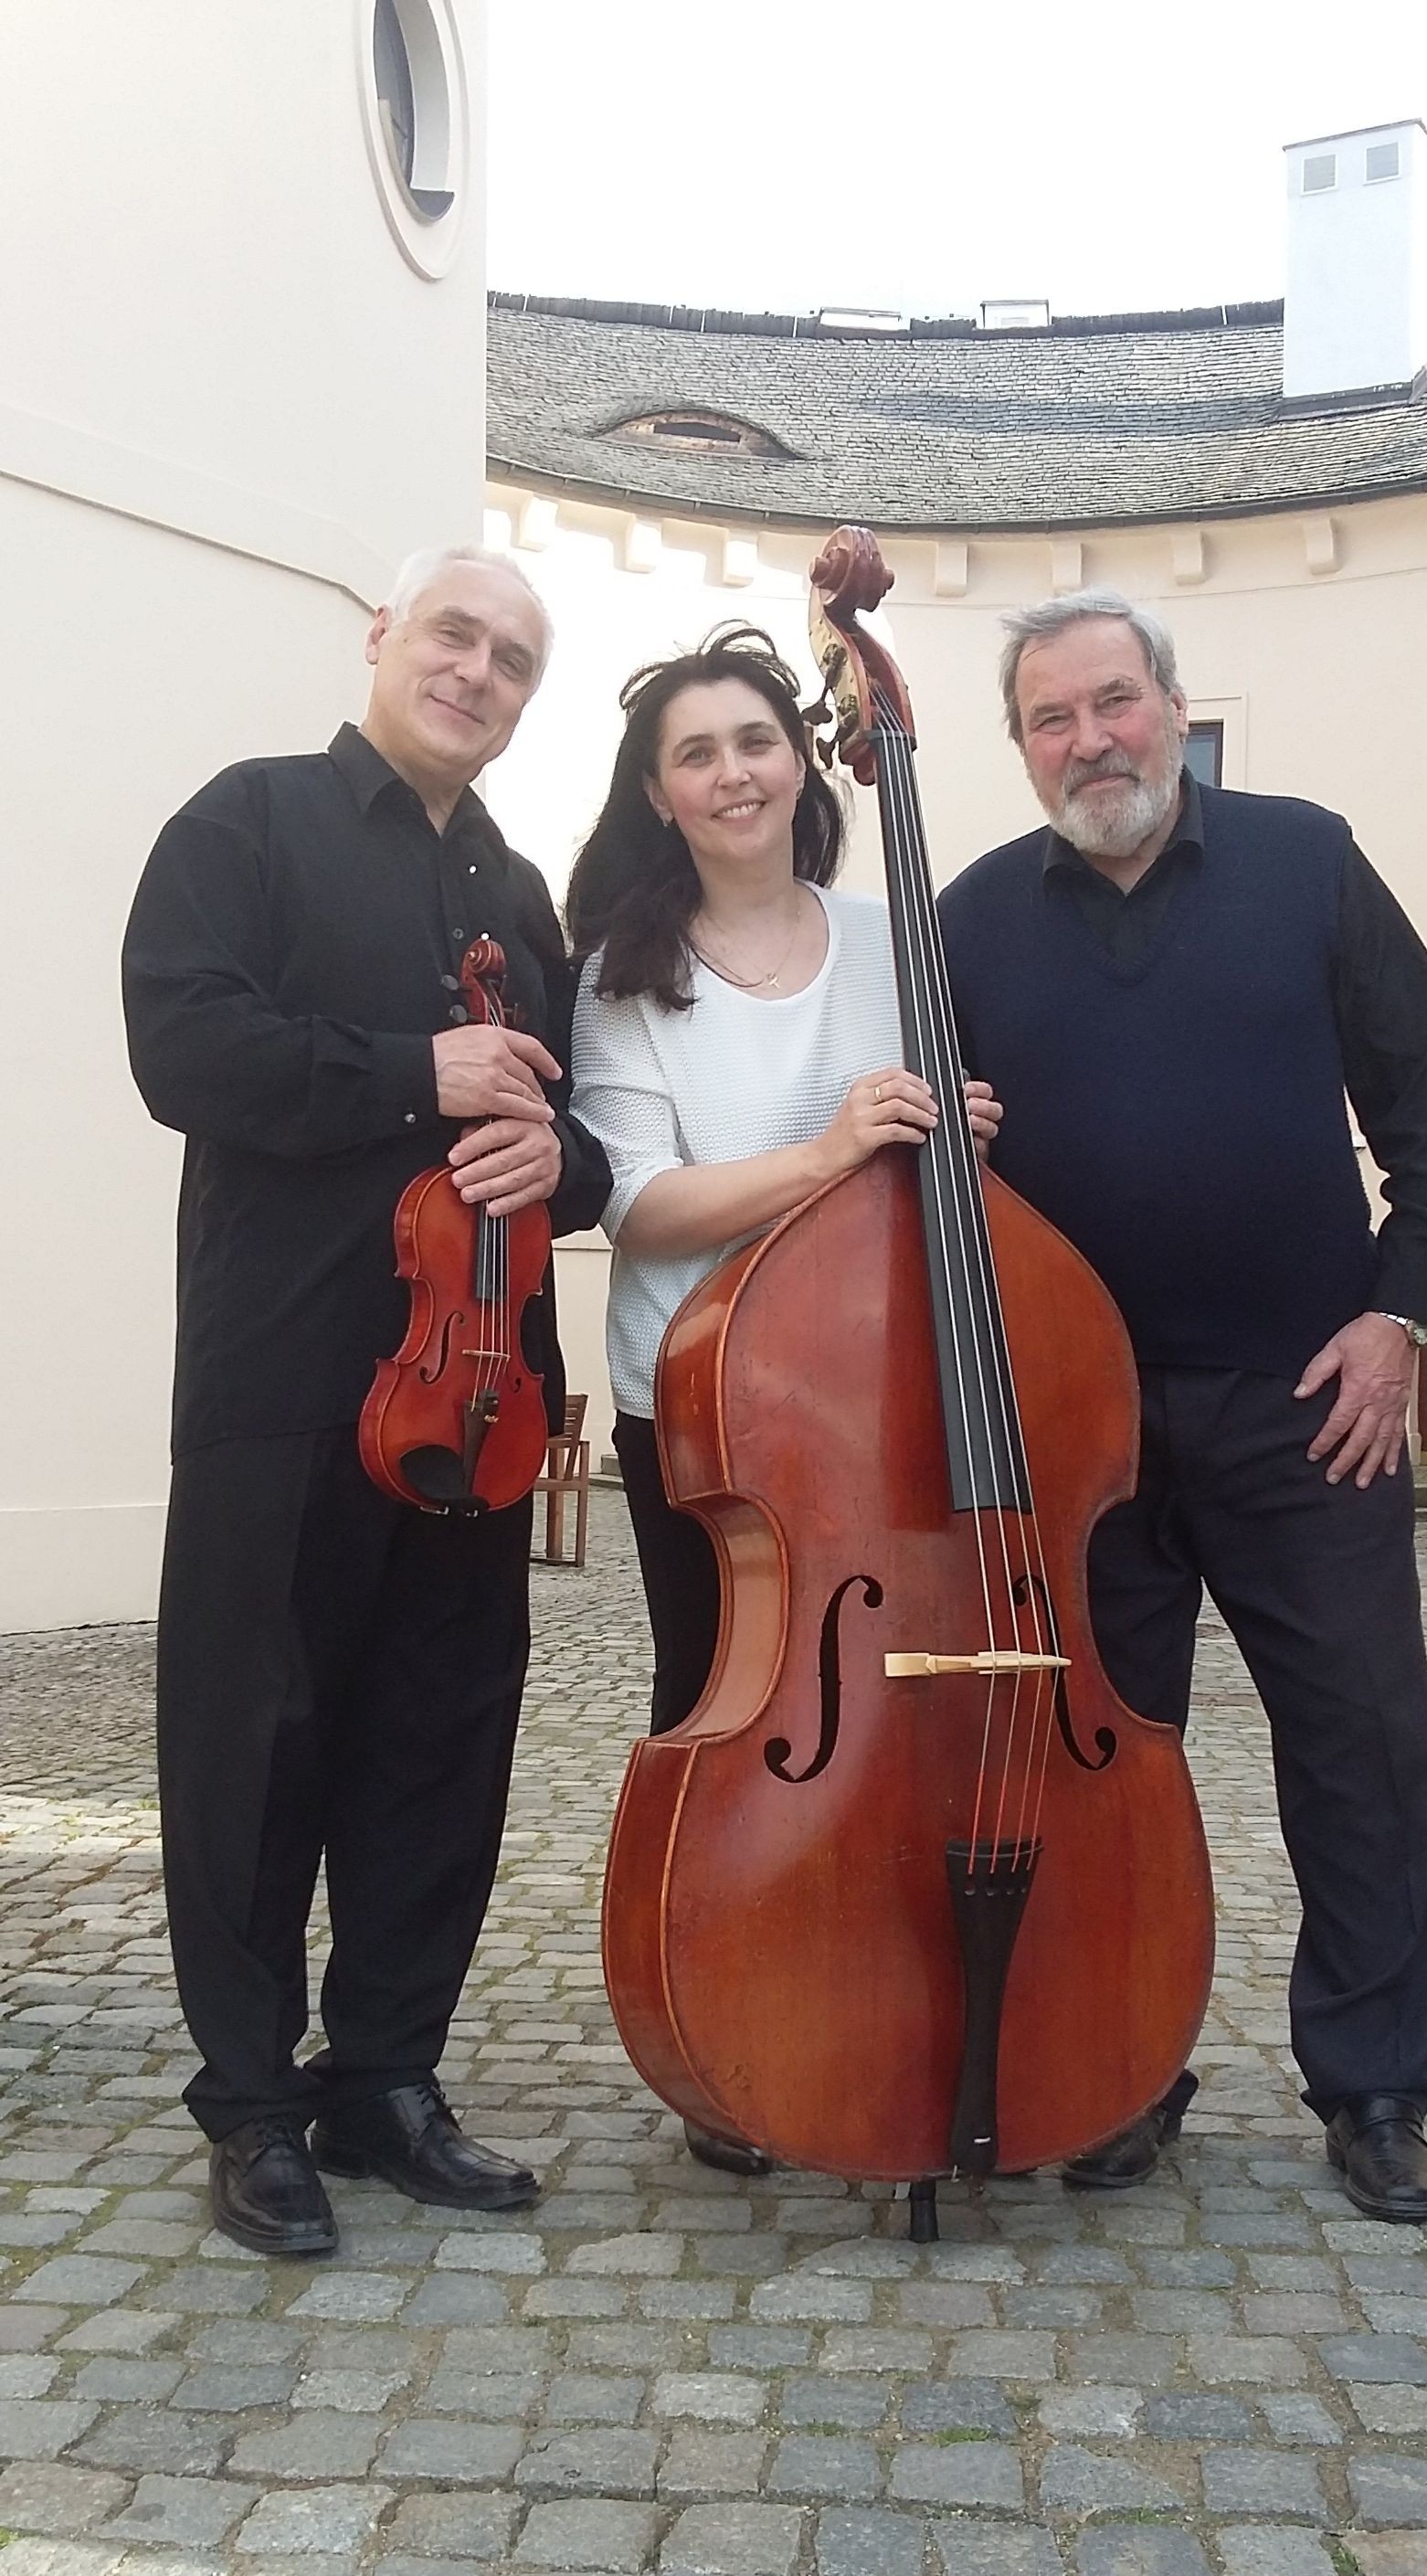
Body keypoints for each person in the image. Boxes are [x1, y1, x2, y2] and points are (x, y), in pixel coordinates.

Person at [936, 591, 1427, 2224]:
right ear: (1021, 747)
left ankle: (1375, 2086)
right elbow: (929, 1179)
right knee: (1099, 1775)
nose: (1090, 740)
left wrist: (1397, 1317)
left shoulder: (1306, 860)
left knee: (1360, 1749)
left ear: (1175, 709)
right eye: (1051, 718)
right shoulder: (969, 915)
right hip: (1074, 1426)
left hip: (1308, 1408)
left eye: (1114, 701)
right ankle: (1119, 2070)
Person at [123, 544, 611, 2256]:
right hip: (281, 1375)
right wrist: (418, 1071)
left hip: (477, 1397)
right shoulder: (245, 821)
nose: (476, 672)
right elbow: (184, 1048)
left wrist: (565, 1157)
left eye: (513, 659)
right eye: (453, 635)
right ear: (384, 636)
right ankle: (255, 2104)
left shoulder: (519, 896)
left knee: (439, 1745)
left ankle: (387, 2078)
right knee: (253, 1748)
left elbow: (579, 1139)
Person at [566, 621, 1000, 2175]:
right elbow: (635, 1205)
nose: (733, 772)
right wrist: (829, 1149)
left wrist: (958, 1127)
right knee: (727, 1707)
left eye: (755, 739)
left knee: (911, 1711)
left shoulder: (899, 937)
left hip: (893, 1388)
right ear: (659, 792)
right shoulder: (626, 974)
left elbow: (933, 1155)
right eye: (696, 753)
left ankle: (915, 1998)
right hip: (713, 1412)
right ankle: (719, 2024)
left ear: (803, 761)